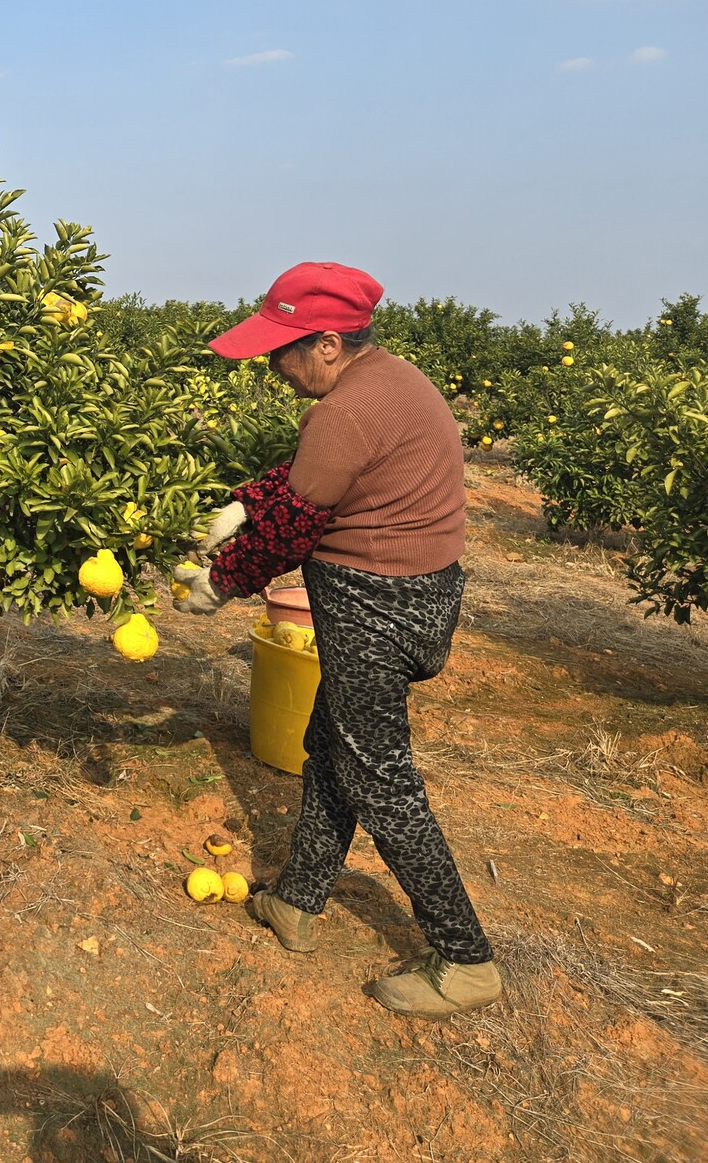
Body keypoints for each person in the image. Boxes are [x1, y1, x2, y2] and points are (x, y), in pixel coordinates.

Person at [172, 261, 501, 1020]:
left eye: (281, 352)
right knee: (335, 748)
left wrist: (219, 583)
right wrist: (244, 503)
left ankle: (465, 956)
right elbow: (306, 481)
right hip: (420, 597)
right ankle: (298, 902)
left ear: (326, 343)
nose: (272, 368)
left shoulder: (345, 412)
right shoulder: (389, 382)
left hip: (372, 607)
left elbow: (296, 520)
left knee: (380, 776)